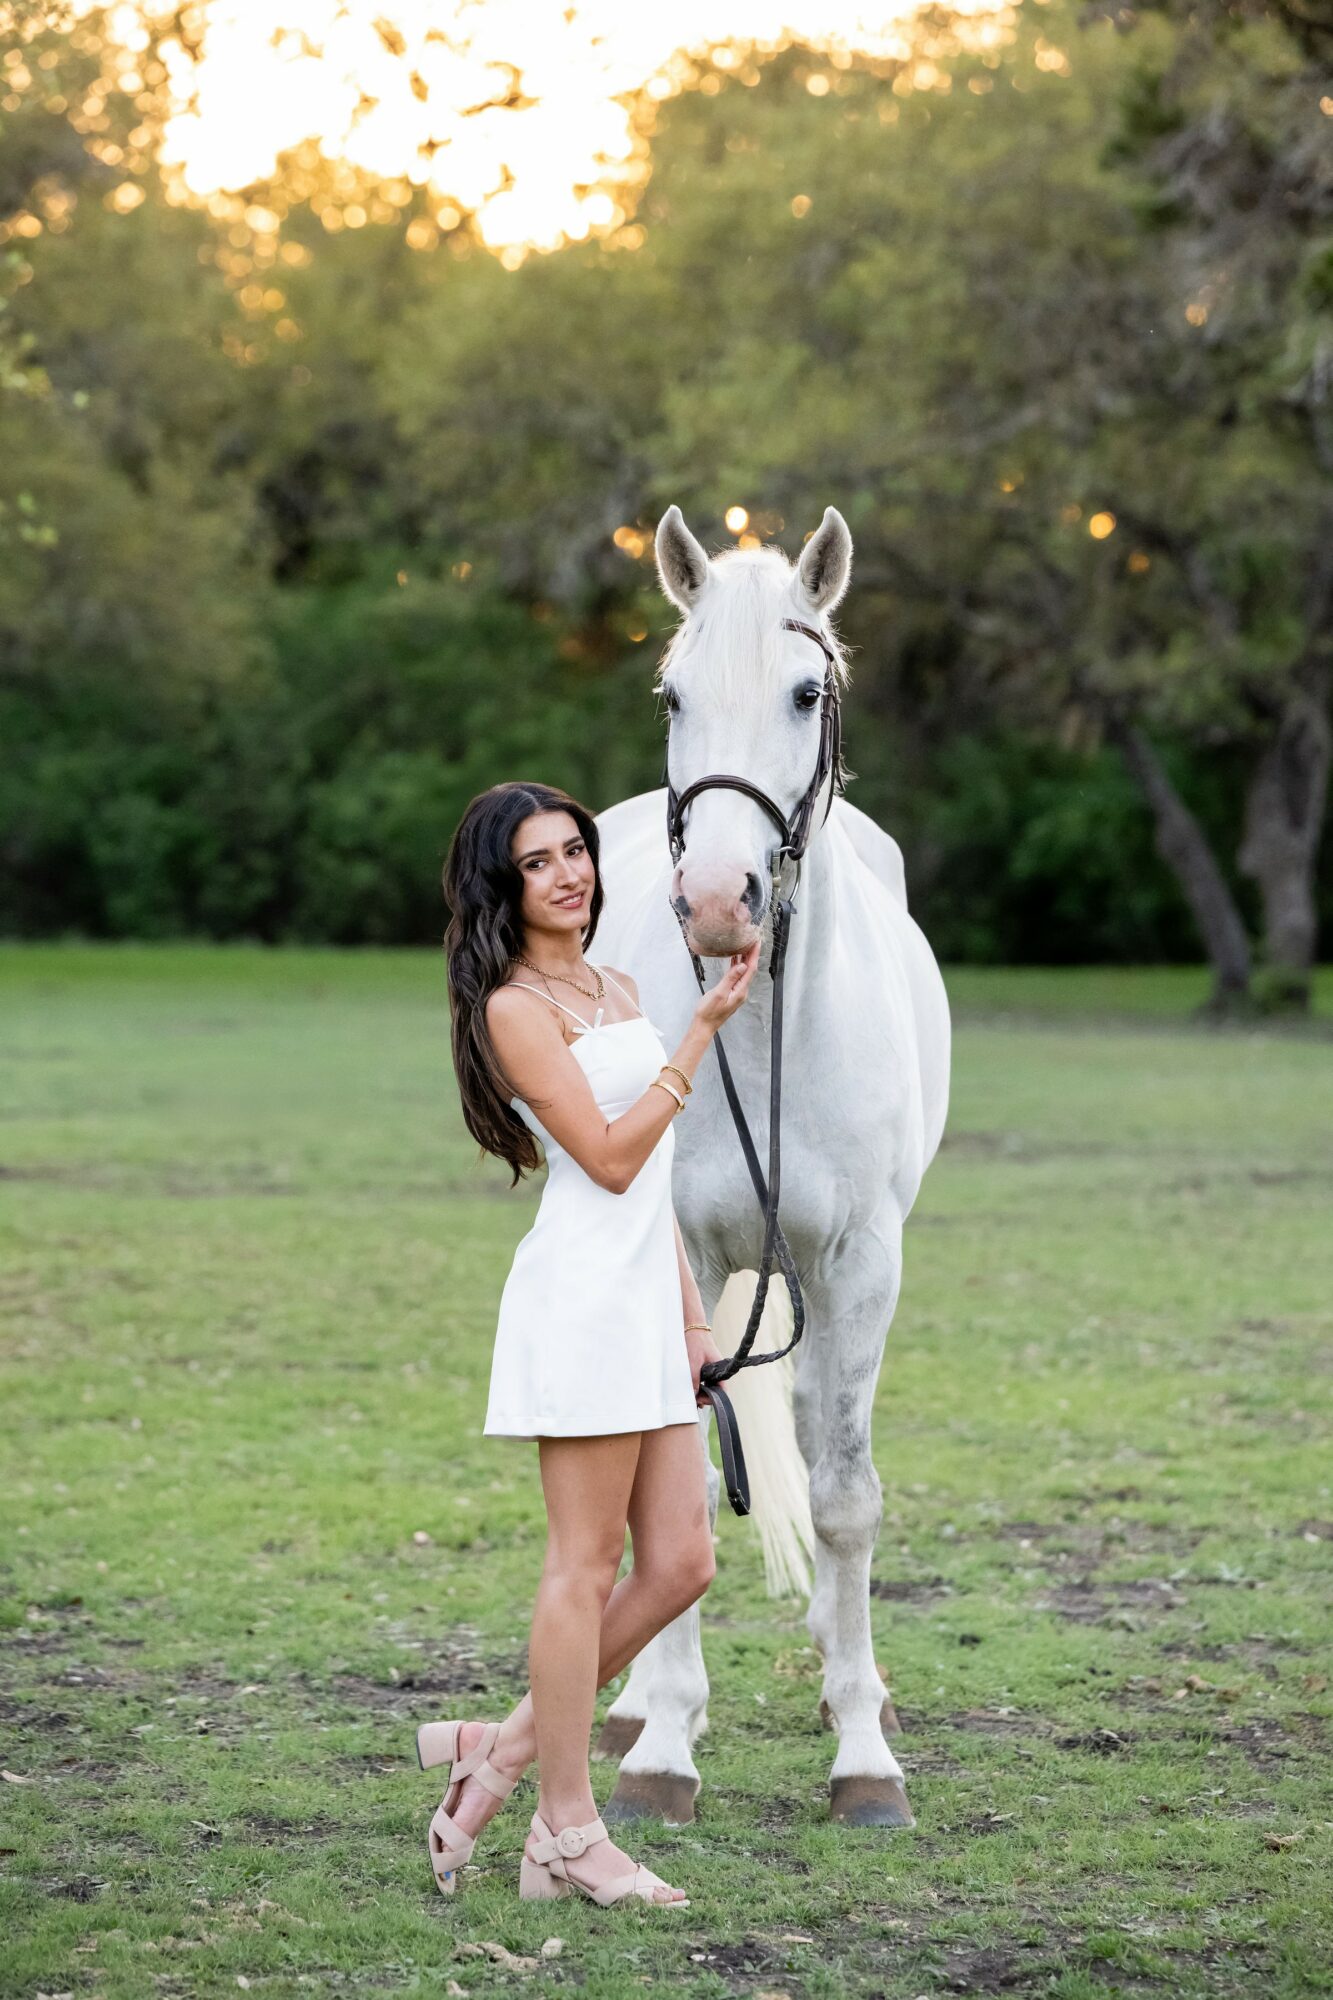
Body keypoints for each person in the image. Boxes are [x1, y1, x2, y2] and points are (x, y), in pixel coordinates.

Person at [426, 779, 758, 1910]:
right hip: (577, 1301)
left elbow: (650, 1188)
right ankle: (564, 1830)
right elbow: (609, 1160)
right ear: (500, 885)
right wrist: (699, 1035)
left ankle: (504, 1746)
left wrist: (694, 1319)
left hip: (644, 1303)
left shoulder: (611, 984)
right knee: (584, 1563)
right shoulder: (517, 1007)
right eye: (539, 861)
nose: (569, 872)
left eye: (575, 851)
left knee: (682, 1561)